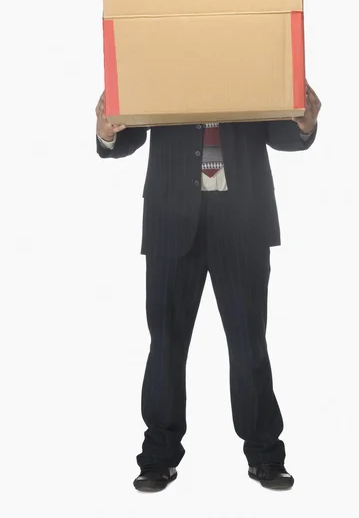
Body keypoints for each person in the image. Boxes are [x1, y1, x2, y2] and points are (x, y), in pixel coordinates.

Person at [95, 83, 322, 492]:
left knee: (249, 341)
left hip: (243, 215)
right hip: (170, 213)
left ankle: (266, 454)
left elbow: (280, 132)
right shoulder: (157, 53)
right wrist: (109, 132)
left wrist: (305, 125)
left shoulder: (254, 50)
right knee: (165, 343)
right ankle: (158, 457)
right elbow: (129, 132)